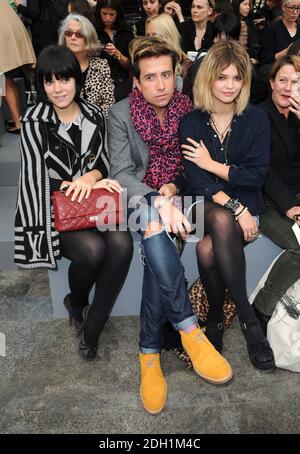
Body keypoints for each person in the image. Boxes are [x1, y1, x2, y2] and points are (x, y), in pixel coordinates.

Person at [108, 36, 233, 415]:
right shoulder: (120, 114)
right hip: (135, 199)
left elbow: (189, 165)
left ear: (176, 74)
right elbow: (121, 172)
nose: (161, 84)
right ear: (137, 81)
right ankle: (188, 328)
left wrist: (173, 187)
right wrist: (157, 198)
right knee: (151, 221)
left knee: (154, 233)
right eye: (151, 77)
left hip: (183, 198)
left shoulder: (188, 110)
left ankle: (149, 356)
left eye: (167, 74)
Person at [14, 45, 133, 361]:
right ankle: (77, 301)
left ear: (76, 79)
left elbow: (105, 161)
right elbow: (33, 175)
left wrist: (92, 177)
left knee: (122, 244)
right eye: (49, 82)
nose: (58, 89)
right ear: (41, 85)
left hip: (94, 203)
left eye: (64, 79)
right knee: (93, 251)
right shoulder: (34, 120)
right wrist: (71, 184)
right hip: (57, 209)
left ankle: (94, 324)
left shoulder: (94, 113)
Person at [179, 40, 275, 371]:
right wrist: (236, 207)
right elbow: (195, 180)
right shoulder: (191, 122)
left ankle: (216, 319)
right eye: (222, 77)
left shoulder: (256, 119)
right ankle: (250, 323)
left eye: (237, 78)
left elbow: (256, 176)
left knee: (206, 251)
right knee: (219, 220)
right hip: (202, 203)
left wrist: (213, 165)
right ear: (208, 79)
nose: (230, 85)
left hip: (245, 201)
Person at [252, 55, 300, 331]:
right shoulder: (259, 115)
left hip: (295, 193)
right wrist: (291, 207)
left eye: (295, 81)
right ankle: (261, 308)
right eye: (282, 80)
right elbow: (263, 170)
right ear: (271, 82)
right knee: (299, 248)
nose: (287, 87)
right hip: (267, 199)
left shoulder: (296, 115)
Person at [59, 13, 115, 118]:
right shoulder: (57, 67)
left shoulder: (101, 66)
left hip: (95, 126)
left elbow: (108, 103)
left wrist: (94, 123)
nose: (73, 37)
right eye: (69, 33)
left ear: (89, 37)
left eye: (79, 34)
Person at [0, 0, 36, 134]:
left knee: (4, 82)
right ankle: (17, 121)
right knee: (7, 81)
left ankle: (17, 122)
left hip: (4, 42)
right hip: (13, 38)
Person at [94, 0, 134, 102]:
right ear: (99, 12)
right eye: (104, 13)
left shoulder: (126, 32)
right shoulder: (93, 31)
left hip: (122, 82)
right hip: (98, 81)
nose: (108, 18)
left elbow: (131, 65)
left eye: (112, 14)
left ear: (118, 14)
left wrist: (117, 54)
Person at [145, 13, 190, 91]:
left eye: (155, 35)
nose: (150, 40)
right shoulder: (143, 63)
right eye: (148, 36)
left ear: (168, 36)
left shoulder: (186, 64)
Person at [260, 0, 300, 69]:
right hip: (278, 70)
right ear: (283, 7)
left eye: (298, 8)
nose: (295, 12)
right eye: (291, 8)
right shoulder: (272, 29)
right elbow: (265, 59)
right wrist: (286, 52)